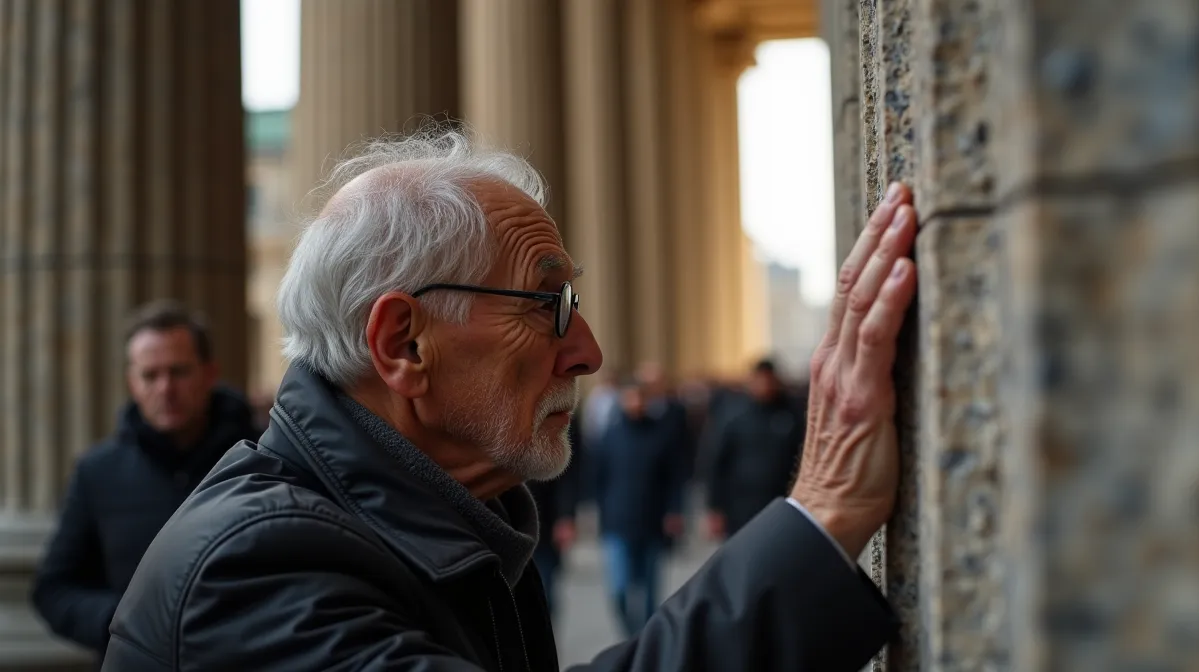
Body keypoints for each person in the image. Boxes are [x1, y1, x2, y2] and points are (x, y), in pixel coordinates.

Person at [104, 128, 921, 671]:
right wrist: (821, 512)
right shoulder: (253, 569)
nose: (589, 351)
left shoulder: (455, 514)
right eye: (548, 305)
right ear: (403, 345)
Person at [31, 301, 261, 659]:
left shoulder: (261, 460)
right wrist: (125, 620)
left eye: (179, 372)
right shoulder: (97, 472)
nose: (165, 388)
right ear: (132, 382)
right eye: (150, 376)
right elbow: (54, 589)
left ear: (209, 373)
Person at [592, 379, 687, 636]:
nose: (636, 404)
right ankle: (629, 634)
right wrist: (598, 512)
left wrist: (675, 510)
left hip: (652, 520)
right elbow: (598, 477)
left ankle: (643, 638)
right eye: (631, 398)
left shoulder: (661, 434)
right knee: (619, 588)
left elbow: (675, 477)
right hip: (617, 521)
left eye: (640, 398)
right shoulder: (611, 435)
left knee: (648, 590)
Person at [705, 358, 808, 540]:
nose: (765, 386)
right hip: (740, 507)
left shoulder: (791, 414)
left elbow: (803, 457)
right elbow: (715, 462)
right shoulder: (733, 414)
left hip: (780, 504)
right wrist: (715, 508)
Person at [525, 419, 581, 615]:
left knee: (544, 592)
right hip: (504, 519)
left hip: (546, 522)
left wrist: (566, 517)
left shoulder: (558, 410)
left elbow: (570, 472)